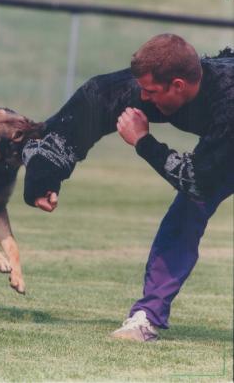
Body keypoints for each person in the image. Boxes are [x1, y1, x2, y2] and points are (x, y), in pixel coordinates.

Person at [22, 34, 234, 342]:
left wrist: (144, 142)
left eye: (150, 92)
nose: (143, 98)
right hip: (223, 146)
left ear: (178, 85)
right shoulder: (170, 83)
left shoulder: (227, 101)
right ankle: (147, 316)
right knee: (184, 218)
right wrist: (45, 173)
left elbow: (197, 181)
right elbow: (95, 99)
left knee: (194, 193)